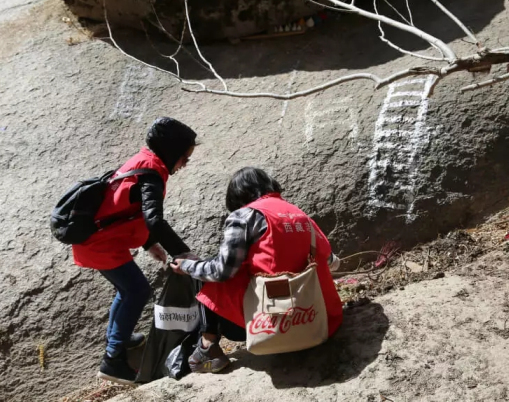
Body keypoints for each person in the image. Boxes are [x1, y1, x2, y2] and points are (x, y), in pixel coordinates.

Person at [171, 167, 342, 373]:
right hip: (320, 322)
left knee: (205, 270)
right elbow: (331, 260)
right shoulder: (298, 214)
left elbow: (222, 271)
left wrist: (186, 266)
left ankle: (208, 349)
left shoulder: (243, 216)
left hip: (274, 325)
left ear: (238, 196)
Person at [72, 117, 197, 385]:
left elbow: (127, 209)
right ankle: (113, 361)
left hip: (98, 239)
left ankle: (120, 337)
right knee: (137, 290)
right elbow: (154, 218)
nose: (185, 163)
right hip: (100, 244)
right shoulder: (152, 173)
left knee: (127, 290)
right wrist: (182, 253)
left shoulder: (146, 161)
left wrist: (149, 243)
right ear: (171, 150)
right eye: (184, 156)